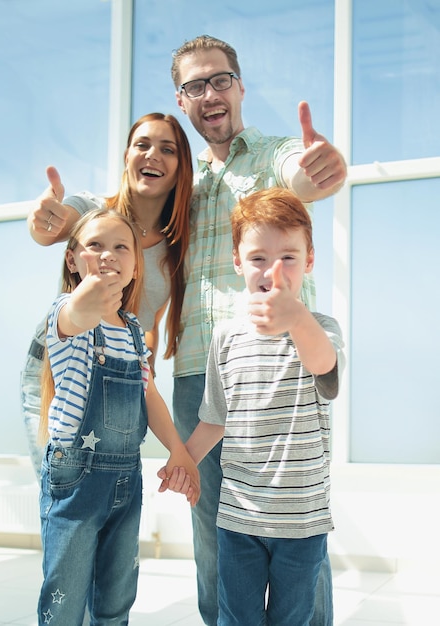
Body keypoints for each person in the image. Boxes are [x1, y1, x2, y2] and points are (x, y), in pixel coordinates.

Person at [167, 35, 347, 626]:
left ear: (240, 87)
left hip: (282, 364)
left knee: (298, 533)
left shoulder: (272, 154)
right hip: (201, 366)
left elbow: (302, 174)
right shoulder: (182, 190)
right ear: (182, 99)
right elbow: (123, 210)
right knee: (216, 534)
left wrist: (319, 169)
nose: (210, 94)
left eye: (220, 80)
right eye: (195, 86)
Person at [37, 208, 199, 626]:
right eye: (95, 245)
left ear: (134, 264)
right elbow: (77, 313)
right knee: (65, 600)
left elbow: (149, 395)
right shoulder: (66, 314)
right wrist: (86, 299)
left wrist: (179, 451)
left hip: (126, 481)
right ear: (72, 260)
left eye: (120, 247)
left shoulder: (132, 330)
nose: (108, 254)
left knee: (116, 598)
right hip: (76, 480)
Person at [21, 112, 193, 476]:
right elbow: (54, 226)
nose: (153, 155)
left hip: (119, 370)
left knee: (110, 495)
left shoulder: (177, 248)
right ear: (127, 156)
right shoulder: (96, 210)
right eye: (142, 145)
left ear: (182, 168)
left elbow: (149, 319)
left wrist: (143, 364)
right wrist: (44, 219)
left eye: (168, 149)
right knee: (60, 488)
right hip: (62, 366)